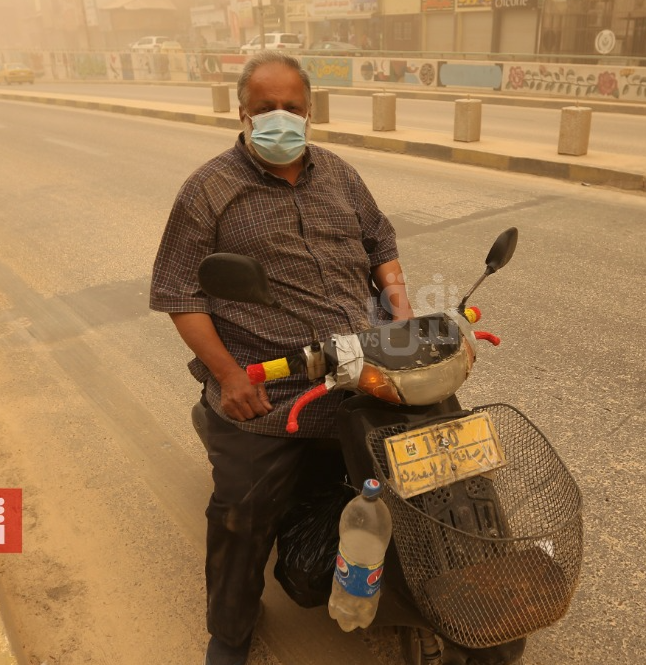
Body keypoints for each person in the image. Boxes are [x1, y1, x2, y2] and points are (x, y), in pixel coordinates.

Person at [148, 50, 413, 665]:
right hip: (270, 387)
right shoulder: (209, 190)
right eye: (265, 107)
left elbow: (382, 242)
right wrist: (228, 376)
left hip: (361, 367)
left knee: (427, 465)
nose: (279, 118)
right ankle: (231, 630)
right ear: (242, 112)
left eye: (291, 106)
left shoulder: (340, 175)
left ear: (309, 110)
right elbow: (179, 293)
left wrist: (400, 314)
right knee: (242, 511)